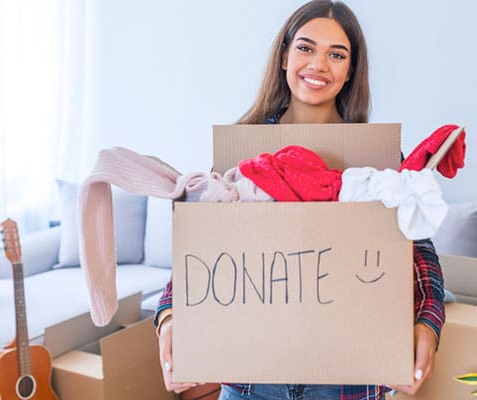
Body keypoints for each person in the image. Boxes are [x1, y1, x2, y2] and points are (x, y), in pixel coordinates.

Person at [154, 1, 445, 399]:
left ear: (350, 72)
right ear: (285, 57)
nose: (319, 64)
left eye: (336, 54)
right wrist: (169, 317)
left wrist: (427, 325)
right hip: (251, 380)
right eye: (306, 48)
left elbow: (419, 251)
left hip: (348, 381)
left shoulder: (377, 160)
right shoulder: (244, 153)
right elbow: (202, 246)